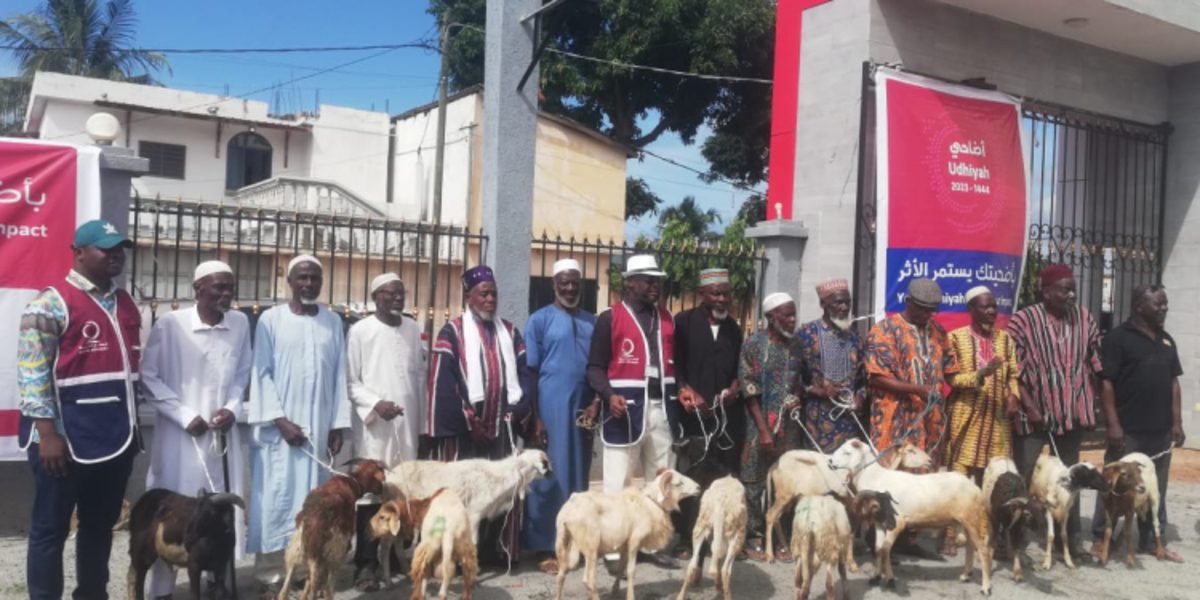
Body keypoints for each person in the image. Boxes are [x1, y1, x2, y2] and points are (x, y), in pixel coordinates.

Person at [17, 219, 140, 600]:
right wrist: (47, 433)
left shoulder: (124, 301)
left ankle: (92, 593)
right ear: (80, 253)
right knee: (50, 531)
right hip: (63, 440)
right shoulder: (50, 302)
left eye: (119, 247)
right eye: (105, 248)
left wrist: (134, 432)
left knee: (99, 526)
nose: (115, 255)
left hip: (115, 438)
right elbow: (32, 371)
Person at [139, 260, 252, 598]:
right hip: (180, 439)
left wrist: (232, 409)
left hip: (221, 438)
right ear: (198, 289)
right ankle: (162, 590)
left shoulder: (240, 323)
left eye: (230, 286)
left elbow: (242, 373)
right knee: (174, 513)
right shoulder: (171, 325)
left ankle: (216, 582)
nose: (227, 293)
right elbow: (149, 377)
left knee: (219, 514)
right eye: (219, 286)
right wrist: (183, 414)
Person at [245, 254, 351, 589]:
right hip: (281, 431)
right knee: (277, 499)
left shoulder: (333, 322)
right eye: (302, 278)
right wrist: (280, 420)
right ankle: (272, 576)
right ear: (289, 282)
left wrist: (336, 424)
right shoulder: (270, 321)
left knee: (313, 501)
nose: (308, 284)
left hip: (318, 427)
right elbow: (260, 373)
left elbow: (339, 376)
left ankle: (307, 573)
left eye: (314, 279)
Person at [424, 265, 532, 567]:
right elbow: (443, 384)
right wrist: (469, 422)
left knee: (501, 490)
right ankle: (453, 557)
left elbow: (524, 377)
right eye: (484, 293)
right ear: (468, 296)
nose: (490, 299)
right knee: (461, 495)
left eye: (494, 293)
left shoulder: (510, 332)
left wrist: (516, 411)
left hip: (503, 427)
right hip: (466, 434)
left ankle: (496, 550)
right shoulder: (452, 333)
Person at [585, 254, 681, 569]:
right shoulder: (609, 317)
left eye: (658, 280)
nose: (656, 285)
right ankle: (613, 549)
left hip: (661, 407)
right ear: (631, 282)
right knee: (617, 480)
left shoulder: (667, 318)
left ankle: (654, 543)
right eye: (649, 280)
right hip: (624, 409)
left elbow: (673, 366)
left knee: (661, 478)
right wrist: (608, 394)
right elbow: (595, 369)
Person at [1008, 263, 1101, 557]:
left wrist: (1091, 403)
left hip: (1071, 414)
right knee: (1021, 477)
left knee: (1069, 478)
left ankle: (1069, 541)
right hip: (1031, 415)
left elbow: (1096, 364)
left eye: (1073, 288)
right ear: (1046, 292)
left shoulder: (1085, 319)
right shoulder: (1022, 321)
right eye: (1065, 289)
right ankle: (1013, 538)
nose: (1072, 294)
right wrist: (1031, 406)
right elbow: (1013, 372)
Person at [1090, 284, 1185, 563]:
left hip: (1160, 430)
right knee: (1113, 482)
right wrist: (1113, 424)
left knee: (1156, 487)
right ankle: (1099, 536)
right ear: (1139, 306)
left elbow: (1173, 383)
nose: (1164, 308)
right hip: (1127, 430)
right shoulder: (1118, 339)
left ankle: (1153, 540)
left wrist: (1176, 422)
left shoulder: (1166, 340)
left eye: (1165, 304)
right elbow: (1105, 383)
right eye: (1158, 304)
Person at [345, 272, 425, 588]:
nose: (397, 298)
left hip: (406, 425)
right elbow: (351, 382)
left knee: (402, 489)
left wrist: (421, 424)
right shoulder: (360, 331)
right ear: (376, 296)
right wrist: (376, 404)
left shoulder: (412, 328)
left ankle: (393, 557)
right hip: (373, 427)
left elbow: (418, 378)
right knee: (370, 494)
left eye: (401, 293)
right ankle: (365, 564)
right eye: (390, 293)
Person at [521, 259, 597, 574]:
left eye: (574, 282)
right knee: (547, 475)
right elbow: (531, 372)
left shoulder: (592, 322)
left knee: (578, 475)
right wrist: (535, 417)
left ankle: (573, 541)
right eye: (564, 282)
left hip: (582, 408)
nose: (569, 288)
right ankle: (544, 545)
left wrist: (595, 404)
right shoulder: (539, 321)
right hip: (550, 407)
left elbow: (597, 368)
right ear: (554, 284)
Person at [942, 285, 1019, 555]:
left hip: (998, 419)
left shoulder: (1006, 339)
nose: (991, 311)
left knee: (995, 477)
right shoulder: (955, 338)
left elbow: (1013, 375)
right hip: (967, 415)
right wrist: (980, 374)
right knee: (959, 476)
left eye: (993, 306)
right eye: (984, 307)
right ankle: (950, 534)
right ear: (971, 309)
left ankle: (987, 534)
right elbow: (950, 377)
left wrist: (1013, 397)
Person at [738, 292, 805, 561]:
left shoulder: (797, 346)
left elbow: (800, 381)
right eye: (786, 315)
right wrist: (764, 430)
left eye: (793, 314)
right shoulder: (753, 344)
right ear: (770, 317)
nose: (792, 320)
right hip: (759, 426)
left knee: (786, 483)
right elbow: (748, 388)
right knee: (754, 481)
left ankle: (781, 537)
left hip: (789, 427)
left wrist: (798, 396)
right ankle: (753, 536)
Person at [865, 277, 958, 462]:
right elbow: (876, 377)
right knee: (893, 477)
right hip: (894, 418)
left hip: (931, 421)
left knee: (926, 480)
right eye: (923, 309)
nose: (928, 315)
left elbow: (951, 371)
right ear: (908, 302)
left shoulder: (939, 332)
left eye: (932, 310)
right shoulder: (884, 330)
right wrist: (917, 389)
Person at [673, 267, 743, 473]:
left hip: (725, 418)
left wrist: (734, 388)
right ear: (701, 294)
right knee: (692, 475)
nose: (722, 299)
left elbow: (740, 369)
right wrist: (687, 390)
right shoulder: (683, 322)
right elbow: (674, 366)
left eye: (726, 294)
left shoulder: (733, 329)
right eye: (716, 293)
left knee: (722, 474)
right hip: (692, 417)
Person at [793, 278, 867, 453]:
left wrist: (860, 398)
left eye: (847, 302)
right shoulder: (805, 334)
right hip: (817, 418)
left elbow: (864, 379)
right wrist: (818, 391)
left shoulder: (855, 337)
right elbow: (792, 379)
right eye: (838, 302)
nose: (845, 307)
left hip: (849, 419)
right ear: (823, 304)